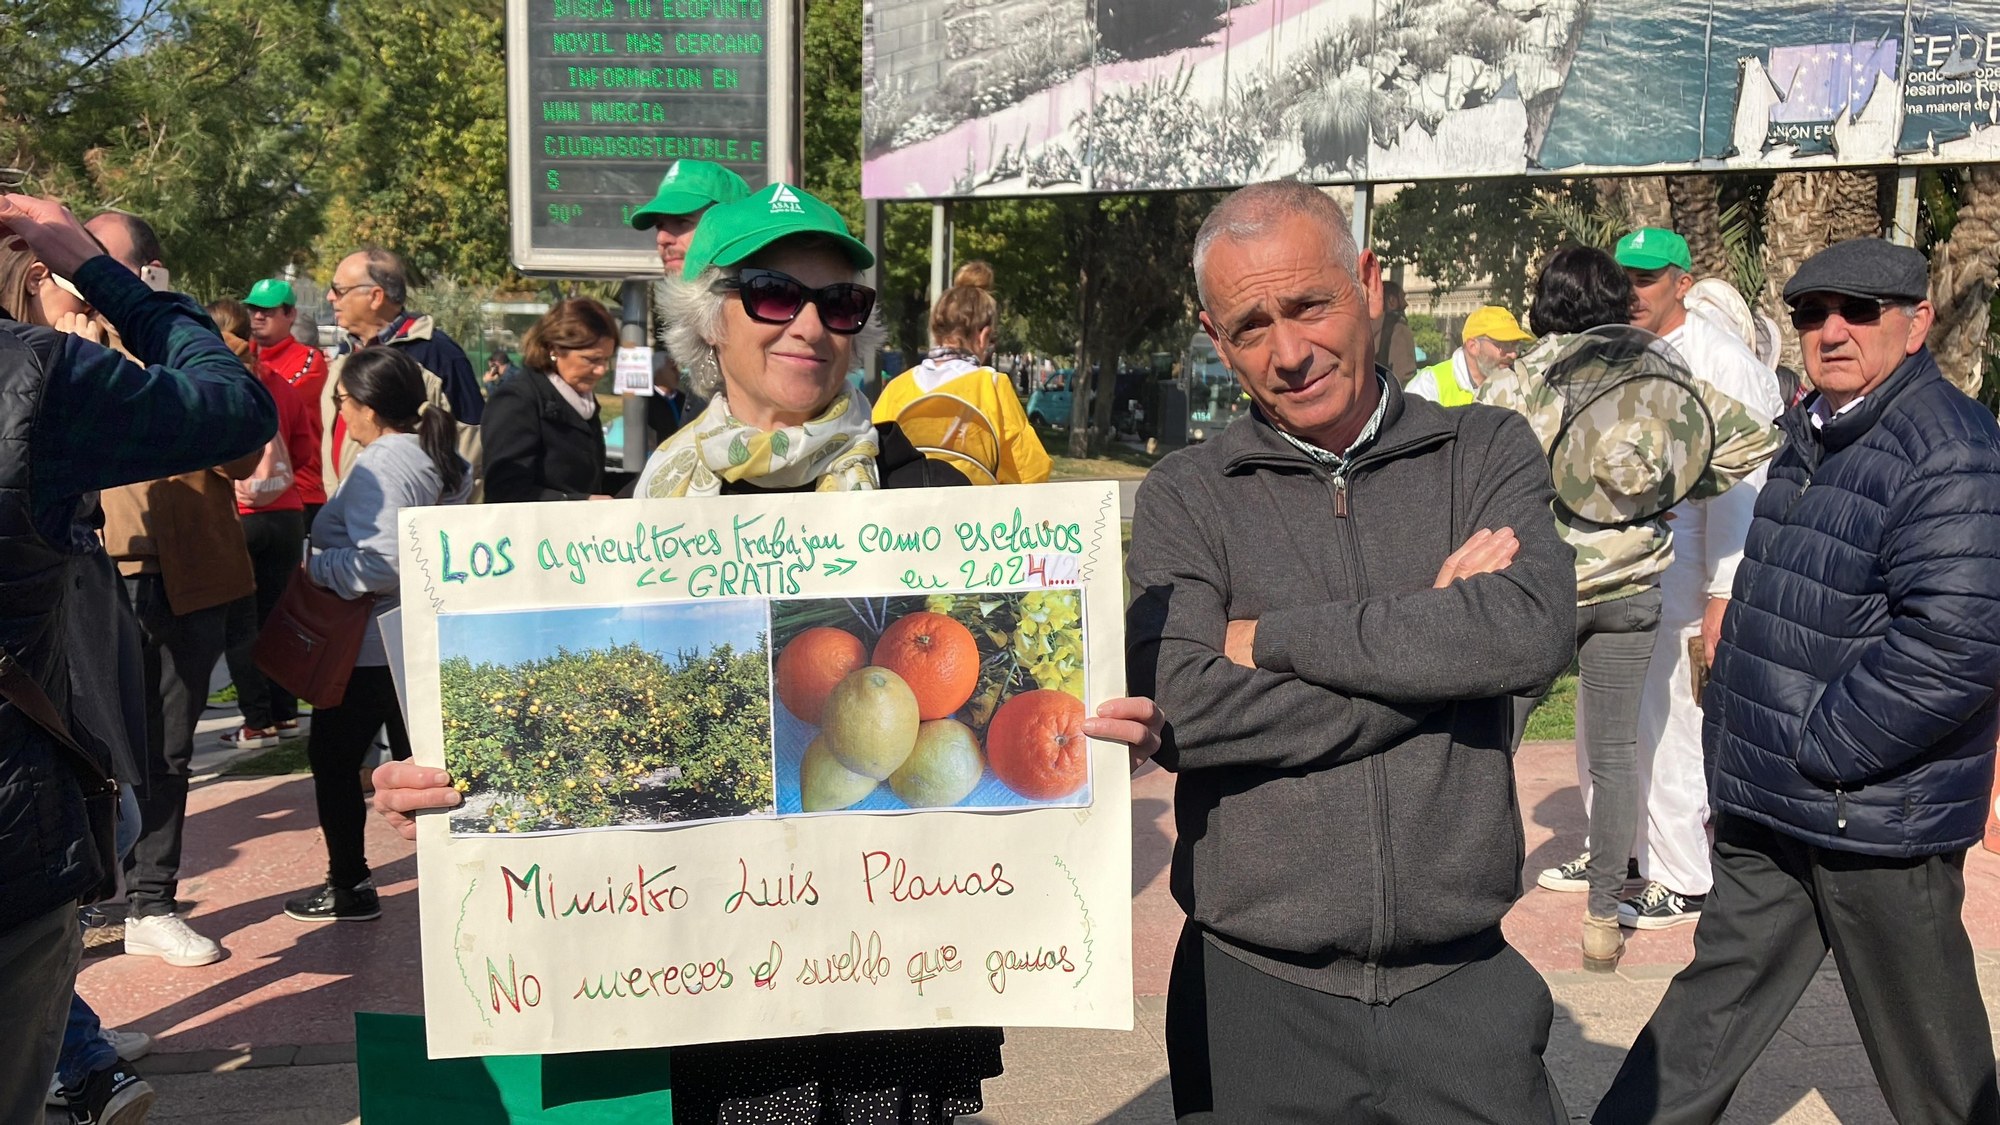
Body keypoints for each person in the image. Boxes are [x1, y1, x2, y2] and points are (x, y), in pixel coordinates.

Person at [371, 181, 1165, 1122]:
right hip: (723, 985)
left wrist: (1117, 724)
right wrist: (445, 778)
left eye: (841, 303)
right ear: (711, 319)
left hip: (900, 979)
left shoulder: (930, 484)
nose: (811, 326)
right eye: (774, 294)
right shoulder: (653, 506)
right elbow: (609, 704)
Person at [1127, 180, 1577, 1121]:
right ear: (1216, 339)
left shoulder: (1482, 449)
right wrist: (1439, 643)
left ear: (1368, 283)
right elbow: (1186, 708)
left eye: (1308, 305)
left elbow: (1529, 631)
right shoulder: (1186, 493)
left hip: (1462, 986)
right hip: (1252, 996)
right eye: (1250, 326)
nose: (1288, 353)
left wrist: (1274, 641)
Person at [1594, 239, 2000, 1125]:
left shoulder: (1952, 448)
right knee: (1704, 1019)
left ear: (1918, 322)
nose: (1833, 330)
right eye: (1814, 313)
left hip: (1873, 814)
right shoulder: (1808, 432)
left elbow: (1957, 643)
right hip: (1774, 803)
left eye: (1860, 311)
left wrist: (1824, 746)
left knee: (1935, 1068)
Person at [0, 192, 274, 1125]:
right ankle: (84, 1054)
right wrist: (113, 283)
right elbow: (238, 412)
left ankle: (93, 1016)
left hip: (145, 608)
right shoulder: (41, 373)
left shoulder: (61, 367)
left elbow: (238, 458)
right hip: (17, 803)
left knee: (153, 757)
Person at [1478, 247, 1780, 970]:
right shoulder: (1659, 372)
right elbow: (1755, 438)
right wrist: (1667, 485)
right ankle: (1603, 918)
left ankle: (1476, 895)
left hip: (1539, 590)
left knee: (1493, 742)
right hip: (1632, 589)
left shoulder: (1521, 380)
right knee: (1616, 756)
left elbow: (1478, 478)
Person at [91, 231, 266, 973]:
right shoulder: (55, 343)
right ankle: (97, 895)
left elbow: (244, 454)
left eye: (105, 259)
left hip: (192, 571)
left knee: (167, 748)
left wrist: (163, 326)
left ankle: (152, 902)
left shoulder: (191, 343)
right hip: (92, 570)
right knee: (88, 752)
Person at [1614, 231, 1783, 930]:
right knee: (1641, 714)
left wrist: (1723, 592)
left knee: (1676, 714)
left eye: (1648, 278)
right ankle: (1641, 853)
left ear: (1682, 283)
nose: (1633, 290)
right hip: (1638, 563)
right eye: (1625, 275)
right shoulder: (1634, 351)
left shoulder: (1722, 362)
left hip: (1691, 567)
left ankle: (1683, 876)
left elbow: (1741, 487)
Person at [282, 348, 473, 923]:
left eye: (341, 403)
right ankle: (451, 887)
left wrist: (318, 568)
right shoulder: (436, 453)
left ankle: (349, 884)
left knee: (333, 759)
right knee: (424, 764)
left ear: (365, 407)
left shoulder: (382, 462)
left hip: (369, 645)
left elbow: (387, 563)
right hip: (416, 638)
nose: (341, 415)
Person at [202, 299, 319, 751]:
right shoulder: (280, 385)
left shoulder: (212, 382)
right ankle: (285, 713)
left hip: (240, 517)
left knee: (240, 625)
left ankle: (257, 721)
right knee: (278, 618)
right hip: (287, 513)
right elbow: (305, 451)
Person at [870, 260, 1051, 484]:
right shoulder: (993, 387)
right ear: (983, 336)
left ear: (936, 335)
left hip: (907, 514)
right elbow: (1030, 471)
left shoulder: (898, 388)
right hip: (975, 516)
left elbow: (870, 456)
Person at [321, 247, 478, 492]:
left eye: (339, 290)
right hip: (347, 517)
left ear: (375, 297)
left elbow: (471, 448)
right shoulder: (344, 354)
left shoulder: (437, 355)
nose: (330, 297)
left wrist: (443, 518)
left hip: (410, 521)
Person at [629, 158, 750, 447]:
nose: (661, 238)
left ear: (731, 226)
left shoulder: (760, 317)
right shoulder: (706, 327)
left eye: (682, 221)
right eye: (659, 225)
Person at [480, 297, 618, 503]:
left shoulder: (582, 402)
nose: (601, 370)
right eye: (592, 359)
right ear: (554, 349)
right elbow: (504, 491)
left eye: (606, 359)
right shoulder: (517, 400)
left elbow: (588, 480)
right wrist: (580, 503)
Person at [243, 279, 329, 527]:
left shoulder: (309, 360)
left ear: (290, 314)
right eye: (253, 309)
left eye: (268, 310)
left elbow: (273, 402)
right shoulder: (240, 355)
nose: (258, 316)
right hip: (246, 491)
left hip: (298, 491)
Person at [1406, 305, 1534, 406]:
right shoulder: (1430, 385)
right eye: (1505, 345)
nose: (1513, 354)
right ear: (1473, 346)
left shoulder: (1521, 384)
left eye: (1515, 345)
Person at [1375, 278, 1417, 382]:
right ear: (1392, 301)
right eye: (1403, 297)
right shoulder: (1398, 329)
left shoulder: (1364, 327)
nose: (1406, 304)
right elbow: (1405, 375)